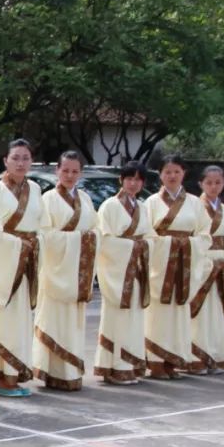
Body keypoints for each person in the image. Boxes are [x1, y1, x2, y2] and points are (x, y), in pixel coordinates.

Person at [0, 139, 48, 397]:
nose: (21, 163)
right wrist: (18, 245)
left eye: (25, 158)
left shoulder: (35, 189)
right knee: (3, 318)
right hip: (5, 263)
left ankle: (15, 372)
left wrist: (34, 243)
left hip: (26, 259)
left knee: (21, 318)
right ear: (5, 162)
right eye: (16, 158)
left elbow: (42, 225)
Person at [32, 151, 98, 391]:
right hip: (55, 272)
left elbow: (96, 232)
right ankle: (52, 371)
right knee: (54, 319)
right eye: (65, 170)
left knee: (73, 323)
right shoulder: (47, 199)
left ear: (81, 173)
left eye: (75, 171)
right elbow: (44, 236)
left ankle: (71, 370)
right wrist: (80, 238)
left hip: (77, 272)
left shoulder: (86, 200)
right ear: (56, 171)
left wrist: (87, 239)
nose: (70, 175)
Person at [144, 154, 211, 379]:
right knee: (157, 313)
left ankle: (173, 359)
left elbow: (204, 234)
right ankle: (155, 361)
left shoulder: (195, 203)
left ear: (184, 173)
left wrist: (186, 244)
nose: (172, 176)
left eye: (176, 171)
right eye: (167, 172)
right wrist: (170, 244)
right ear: (160, 175)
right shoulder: (151, 203)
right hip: (160, 266)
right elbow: (147, 234)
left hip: (185, 264)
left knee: (179, 312)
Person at [93, 161, 153, 385]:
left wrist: (142, 247)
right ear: (121, 180)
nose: (133, 183)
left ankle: (132, 362)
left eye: (138, 179)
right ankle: (115, 365)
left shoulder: (142, 207)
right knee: (117, 316)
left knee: (135, 317)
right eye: (129, 178)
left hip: (135, 269)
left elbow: (149, 238)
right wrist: (133, 247)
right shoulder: (109, 206)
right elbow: (105, 240)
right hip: (117, 272)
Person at [189, 166, 224, 374]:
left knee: (215, 314)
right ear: (201, 184)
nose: (213, 186)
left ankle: (216, 355)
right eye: (209, 182)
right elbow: (194, 237)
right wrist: (207, 263)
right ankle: (196, 357)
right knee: (199, 314)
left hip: (221, 266)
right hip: (203, 263)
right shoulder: (193, 207)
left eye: (218, 182)